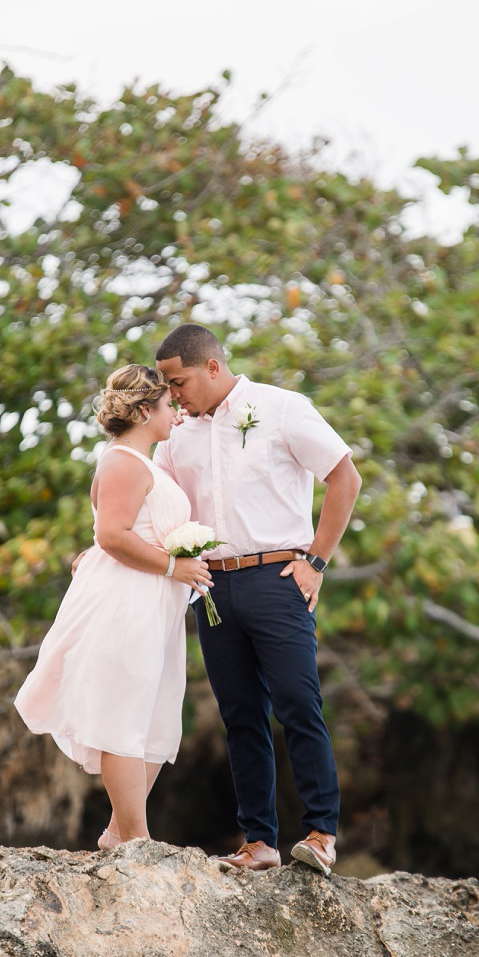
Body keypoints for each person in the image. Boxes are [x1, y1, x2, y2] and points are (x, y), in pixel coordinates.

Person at [155, 324, 361, 876]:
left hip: (278, 578)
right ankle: (260, 842)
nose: (173, 394)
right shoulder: (176, 434)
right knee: (240, 716)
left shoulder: (282, 407)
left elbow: (345, 476)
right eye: (167, 386)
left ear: (212, 368)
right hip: (212, 587)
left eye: (178, 382)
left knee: (298, 704)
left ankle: (320, 835)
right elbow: (159, 506)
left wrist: (316, 561)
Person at [14, 365, 211, 847]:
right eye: (168, 406)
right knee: (124, 715)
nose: (176, 414)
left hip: (153, 606)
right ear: (145, 410)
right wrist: (172, 566)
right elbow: (111, 534)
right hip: (129, 603)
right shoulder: (123, 460)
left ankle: (117, 833)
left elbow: (120, 531)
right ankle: (137, 841)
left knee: (153, 719)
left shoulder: (144, 462)